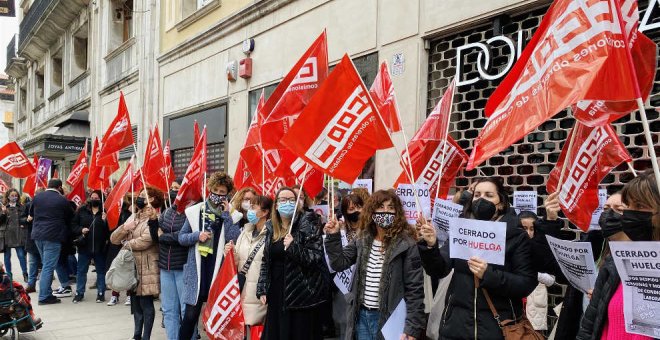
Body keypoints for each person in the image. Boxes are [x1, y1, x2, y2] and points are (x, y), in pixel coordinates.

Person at [418, 177, 537, 339]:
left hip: (498, 329)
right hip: (457, 328)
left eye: (489, 195)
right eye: (477, 195)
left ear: (501, 203)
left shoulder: (516, 236)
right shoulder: (461, 229)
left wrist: (489, 274)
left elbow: (525, 283)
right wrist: (431, 246)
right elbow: (439, 269)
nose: (482, 199)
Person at [324, 189, 425, 340]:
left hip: (389, 319)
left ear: (397, 213)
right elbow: (339, 263)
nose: (386, 212)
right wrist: (333, 237)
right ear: (371, 212)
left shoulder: (407, 244)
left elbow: (415, 290)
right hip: (362, 317)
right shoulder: (363, 238)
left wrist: (412, 328)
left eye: (391, 208)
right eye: (381, 207)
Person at [577, 170, 659, 340]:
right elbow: (590, 326)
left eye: (640, 206)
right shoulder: (617, 261)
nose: (630, 213)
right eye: (628, 206)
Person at [256, 186, 330, 340]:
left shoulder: (308, 222)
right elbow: (266, 260)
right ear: (276, 205)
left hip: (300, 293)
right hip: (276, 292)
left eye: (291, 199)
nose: (287, 203)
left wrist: (293, 247)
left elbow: (314, 257)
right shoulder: (271, 226)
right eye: (282, 200)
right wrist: (262, 288)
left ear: (298, 203)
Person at [178, 172, 239, 340]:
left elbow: (234, 238)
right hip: (197, 271)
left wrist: (226, 215)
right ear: (209, 189)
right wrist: (197, 236)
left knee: (217, 318)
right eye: (216, 190)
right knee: (190, 316)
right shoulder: (195, 211)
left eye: (223, 191)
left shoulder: (233, 214)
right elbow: (181, 238)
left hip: (218, 271)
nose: (219, 194)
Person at [110, 187, 163, 340]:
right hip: (131, 267)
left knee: (145, 303)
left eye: (142, 195)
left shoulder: (154, 218)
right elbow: (114, 239)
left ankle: (146, 336)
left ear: (151, 199)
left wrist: (125, 243)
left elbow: (147, 241)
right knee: (135, 303)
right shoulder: (134, 216)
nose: (138, 197)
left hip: (147, 266)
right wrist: (125, 228)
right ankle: (136, 335)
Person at [225, 195, 272, 336]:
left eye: (253, 207)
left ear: (265, 212)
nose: (249, 211)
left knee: (257, 331)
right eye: (250, 207)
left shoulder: (272, 234)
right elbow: (237, 260)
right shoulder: (245, 232)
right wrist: (230, 251)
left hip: (259, 295)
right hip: (242, 291)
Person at [30, 179, 75, 305]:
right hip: (53, 236)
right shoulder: (62, 200)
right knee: (48, 267)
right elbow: (71, 217)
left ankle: (47, 293)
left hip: (37, 235)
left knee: (46, 265)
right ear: (59, 187)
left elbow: (31, 213)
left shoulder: (37, 197)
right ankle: (44, 296)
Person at [156, 193, 189, 340]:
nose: (176, 192)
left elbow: (182, 237)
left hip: (183, 267)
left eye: (178, 189)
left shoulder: (191, 212)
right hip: (165, 267)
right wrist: (152, 222)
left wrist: (163, 236)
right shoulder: (167, 211)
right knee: (169, 310)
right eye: (174, 189)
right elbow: (155, 233)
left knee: (185, 310)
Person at [70, 190, 109, 303]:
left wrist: (105, 221)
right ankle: (79, 293)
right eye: (92, 197)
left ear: (101, 199)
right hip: (84, 246)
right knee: (81, 270)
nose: (94, 199)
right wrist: (81, 229)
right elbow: (73, 225)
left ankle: (101, 293)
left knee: (101, 271)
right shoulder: (82, 210)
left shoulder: (105, 211)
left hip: (99, 247)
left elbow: (110, 230)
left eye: (96, 198)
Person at [107, 194, 135, 306]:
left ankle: (129, 295)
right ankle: (115, 295)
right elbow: (114, 236)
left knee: (130, 273)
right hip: (119, 248)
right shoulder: (119, 212)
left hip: (132, 248)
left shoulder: (134, 214)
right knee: (116, 270)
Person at [0, 188, 29, 282]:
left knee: (21, 255)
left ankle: (25, 273)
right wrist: (3, 213)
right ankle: (9, 275)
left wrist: (23, 222)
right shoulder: (3, 207)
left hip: (18, 233)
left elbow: (25, 218)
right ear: (8, 196)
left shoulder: (21, 206)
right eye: (12, 195)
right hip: (7, 234)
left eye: (16, 195)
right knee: (7, 256)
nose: (14, 197)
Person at [19, 188, 40, 293]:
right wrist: (27, 219)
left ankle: (46, 286)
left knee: (45, 264)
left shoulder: (46, 206)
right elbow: (21, 219)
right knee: (32, 263)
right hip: (32, 238)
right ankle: (31, 284)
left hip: (43, 238)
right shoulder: (28, 205)